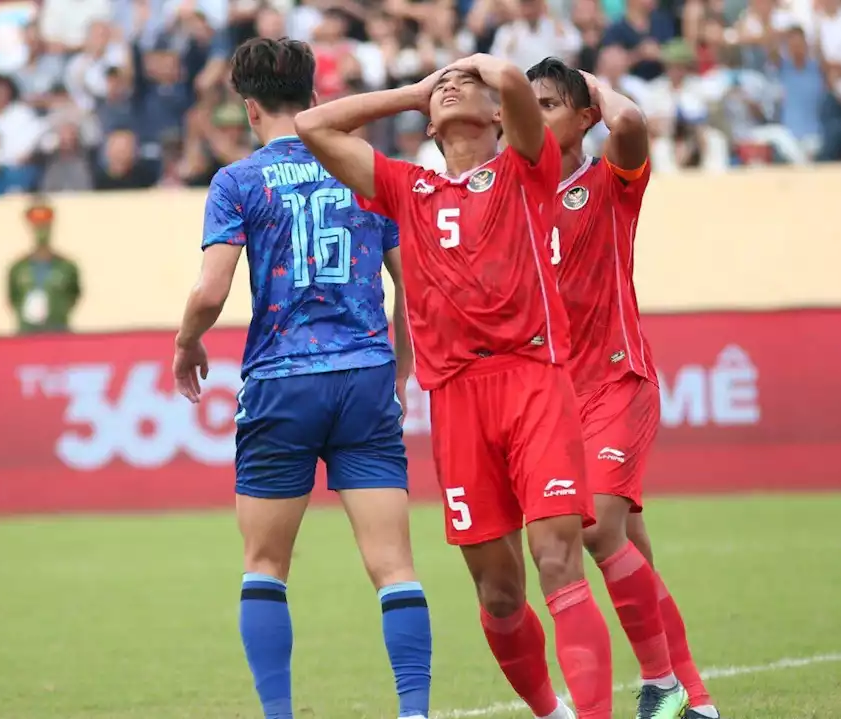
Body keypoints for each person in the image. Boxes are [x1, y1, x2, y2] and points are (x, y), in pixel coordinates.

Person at [295, 53, 615, 719]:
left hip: (532, 379)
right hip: (456, 399)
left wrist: (478, 66)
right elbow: (313, 125)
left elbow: (512, 85)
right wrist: (413, 91)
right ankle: (550, 711)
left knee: (556, 557)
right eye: (442, 89)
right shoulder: (407, 188)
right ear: (430, 125)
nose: (452, 85)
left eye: (464, 82)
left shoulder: (526, 166)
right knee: (498, 592)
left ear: (499, 111)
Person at [170, 38, 433, 718]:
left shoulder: (239, 181)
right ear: (316, 95)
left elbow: (209, 290)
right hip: (364, 375)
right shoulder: (369, 173)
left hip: (283, 380)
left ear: (248, 106)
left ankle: (279, 714)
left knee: (266, 564)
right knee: (394, 566)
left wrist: (186, 343)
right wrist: (399, 367)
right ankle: (415, 711)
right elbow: (412, 287)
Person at [528, 57, 721, 719]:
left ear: (584, 117)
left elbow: (632, 121)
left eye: (550, 104)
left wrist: (590, 83)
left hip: (617, 378)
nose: (536, 116)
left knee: (596, 530)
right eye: (529, 106)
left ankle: (660, 685)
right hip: (554, 398)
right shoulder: (511, 193)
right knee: (628, 548)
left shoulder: (610, 181)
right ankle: (695, 697)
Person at [6, 198, 82, 335]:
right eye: (37, 224)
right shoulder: (18, 268)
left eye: (45, 224)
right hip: (26, 335)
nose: (41, 229)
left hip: (59, 333)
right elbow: (13, 298)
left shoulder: (66, 267)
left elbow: (74, 295)